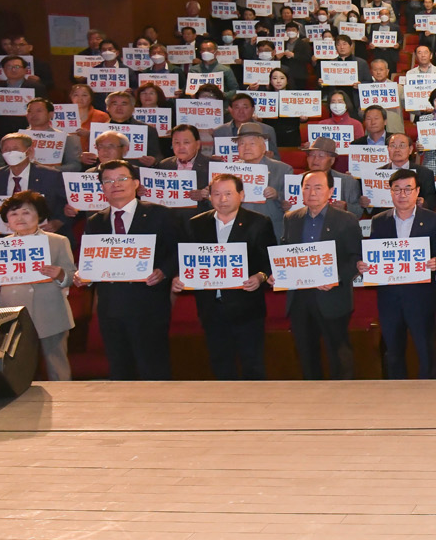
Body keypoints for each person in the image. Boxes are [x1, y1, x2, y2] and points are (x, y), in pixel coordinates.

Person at [73, 159, 179, 380]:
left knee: (154, 370)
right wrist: (83, 275)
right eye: (108, 181)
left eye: (122, 178)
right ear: (102, 188)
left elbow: (179, 252)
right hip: (111, 307)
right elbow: (91, 260)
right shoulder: (95, 221)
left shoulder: (160, 214)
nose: (116, 184)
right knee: (120, 370)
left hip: (149, 305)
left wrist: (163, 271)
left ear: (136, 183)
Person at [0, 190, 76, 381]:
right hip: (14, 314)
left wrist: (60, 274)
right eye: (13, 213)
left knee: (57, 367)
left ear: (39, 215)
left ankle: (65, 398)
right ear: (7, 220)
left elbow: (72, 276)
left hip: (51, 313)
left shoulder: (58, 241)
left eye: (26, 212)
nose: (20, 218)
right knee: (18, 369)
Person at [173, 173, 276, 380]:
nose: (222, 199)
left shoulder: (259, 222)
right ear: (210, 196)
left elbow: (269, 263)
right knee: (220, 363)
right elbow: (186, 261)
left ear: (241, 195)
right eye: (217, 194)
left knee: (252, 364)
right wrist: (178, 278)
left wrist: (260, 277)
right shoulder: (196, 224)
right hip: (211, 308)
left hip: (247, 307)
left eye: (228, 193)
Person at [281, 169, 364, 380]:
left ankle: (343, 393)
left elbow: (355, 257)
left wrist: (336, 278)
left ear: (331, 191)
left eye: (318, 187)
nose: (312, 192)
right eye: (307, 187)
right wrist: (278, 273)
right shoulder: (291, 218)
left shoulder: (346, 220)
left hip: (332, 296)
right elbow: (285, 252)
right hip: (300, 297)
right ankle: (311, 393)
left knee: (338, 353)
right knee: (306, 352)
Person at [369, 167, 436, 379]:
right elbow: (374, 254)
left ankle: (429, 391)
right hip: (389, 298)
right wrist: (365, 265)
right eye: (397, 189)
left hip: (421, 297)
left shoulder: (433, 220)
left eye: (407, 189)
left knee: (426, 351)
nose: (402, 194)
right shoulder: (379, 221)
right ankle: (397, 393)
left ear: (417, 191)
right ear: (390, 192)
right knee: (394, 353)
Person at [0, 132, 67, 232]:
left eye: (15, 149)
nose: (10, 153)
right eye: (6, 150)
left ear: (29, 151)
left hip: (43, 233)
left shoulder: (50, 175)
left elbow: (67, 205)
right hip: (8, 235)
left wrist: (58, 222)